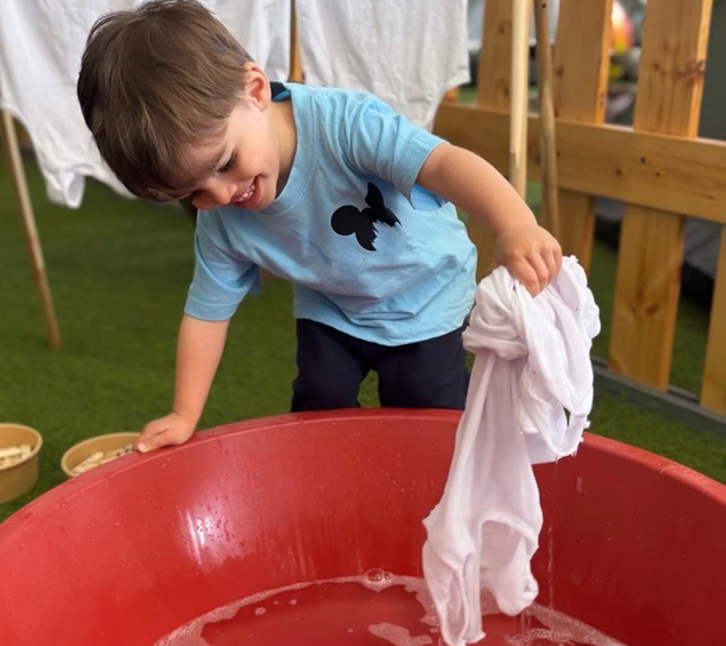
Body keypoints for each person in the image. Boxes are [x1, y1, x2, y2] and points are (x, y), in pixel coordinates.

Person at [77, 0, 562, 453]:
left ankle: (447, 472)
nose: (221, 195)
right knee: (316, 407)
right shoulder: (220, 216)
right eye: (191, 193)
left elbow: (443, 164)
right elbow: (206, 314)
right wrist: (183, 414)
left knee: (424, 413)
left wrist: (515, 224)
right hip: (333, 305)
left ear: (255, 90)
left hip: (423, 296)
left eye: (225, 163)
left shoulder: (346, 125)